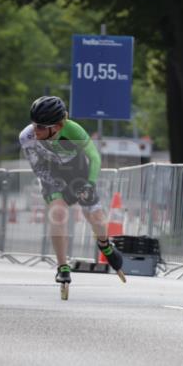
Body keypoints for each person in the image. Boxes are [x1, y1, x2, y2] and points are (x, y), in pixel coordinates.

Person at [19, 96, 123, 285]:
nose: (36, 130)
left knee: (96, 217)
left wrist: (89, 184)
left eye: (41, 127)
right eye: (35, 124)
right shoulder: (27, 137)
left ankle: (105, 245)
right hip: (51, 173)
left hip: (77, 172)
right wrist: (61, 189)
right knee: (57, 212)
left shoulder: (73, 130)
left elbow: (94, 157)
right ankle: (62, 267)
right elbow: (38, 169)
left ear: (58, 126)